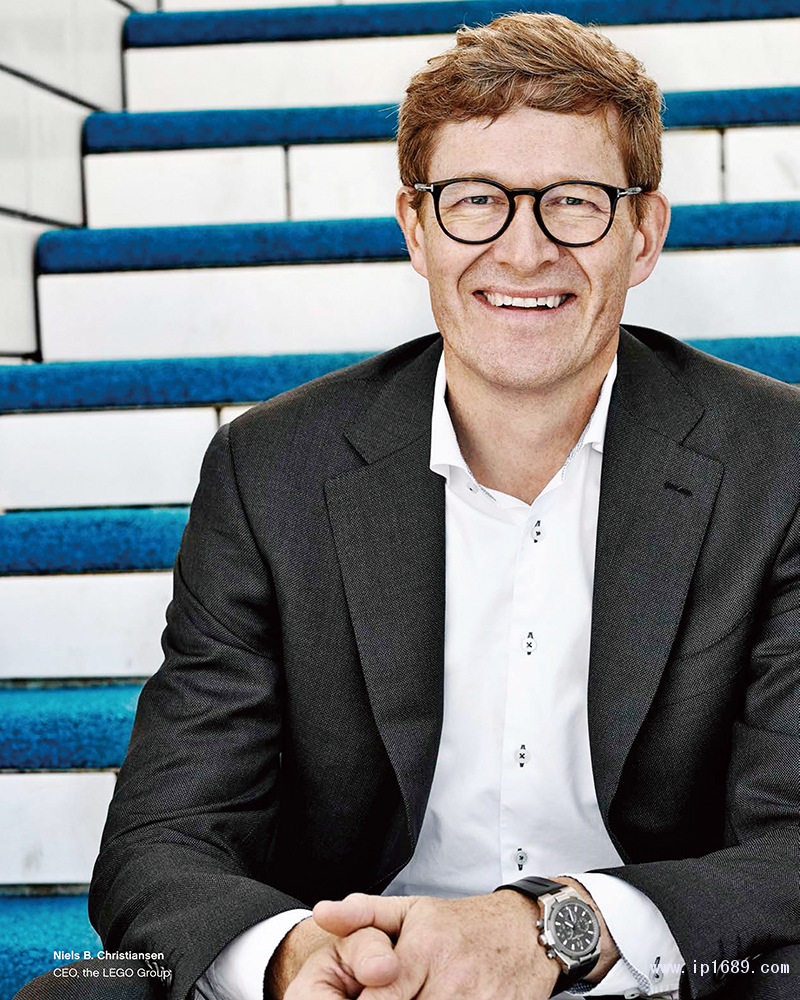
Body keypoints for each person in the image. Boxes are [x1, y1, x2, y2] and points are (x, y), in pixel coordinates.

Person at [18, 11, 799, 1000]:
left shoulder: (777, 462)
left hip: (636, 972)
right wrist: (295, 957)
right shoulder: (271, 468)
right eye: (476, 201)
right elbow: (164, 836)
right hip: (358, 970)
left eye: (574, 201)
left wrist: (554, 932)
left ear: (642, 234)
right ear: (416, 229)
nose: (524, 251)